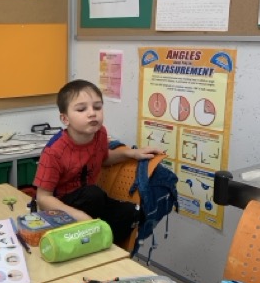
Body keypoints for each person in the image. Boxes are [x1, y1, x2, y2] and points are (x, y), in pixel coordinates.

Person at [33, 79, 163, 244]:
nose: (92, 113)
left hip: (90, 202)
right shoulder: (54, 151)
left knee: (133, 212)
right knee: (93, 194)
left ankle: (104, 245)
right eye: (81, 109)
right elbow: (43, 198)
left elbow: (104, 159)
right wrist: (79, 216)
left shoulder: (100, 133)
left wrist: (131, 153)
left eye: (97, 107)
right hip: (60, 207)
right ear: (65, 119)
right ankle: (94, 239)